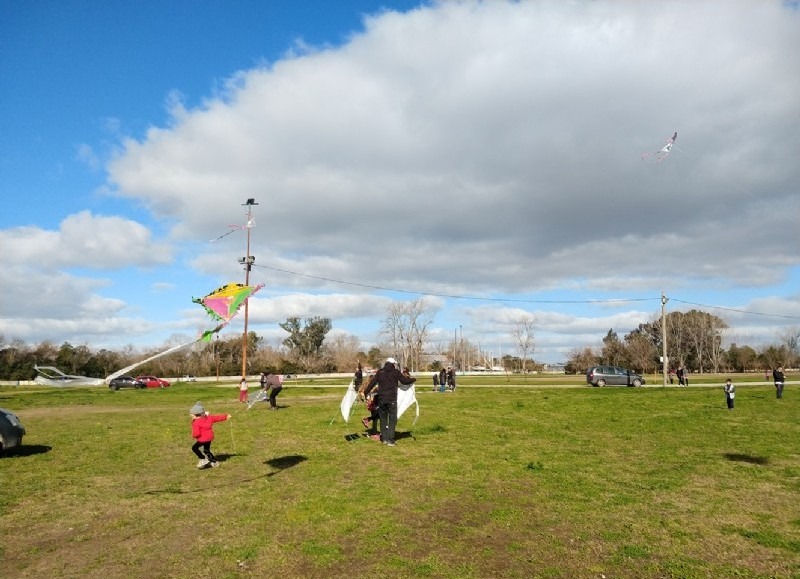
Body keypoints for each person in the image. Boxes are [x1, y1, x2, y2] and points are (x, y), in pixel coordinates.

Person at [363, 357, 416, 447]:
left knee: (383, 419)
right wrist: (413, 379)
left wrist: (365, 392)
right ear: (393, 364)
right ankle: (390, 440)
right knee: (392, 420)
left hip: (381, 399)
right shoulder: (395, 372)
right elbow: (405, 381)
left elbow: (372, 383)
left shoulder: (380, 372)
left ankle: (384, 439)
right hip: (391, 399)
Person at [189, 402, 231, 468]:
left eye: (191, 414)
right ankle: (214, 462)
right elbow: (217, 418)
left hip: (202, 439)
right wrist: (226, 416)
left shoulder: (196, 422)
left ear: (196, 414)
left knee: (194, 448)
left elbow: (196, 433)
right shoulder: (209, 418)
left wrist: (194, 436)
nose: (190, 415)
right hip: (209, 437)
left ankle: (203, 459)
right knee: (206, 450)